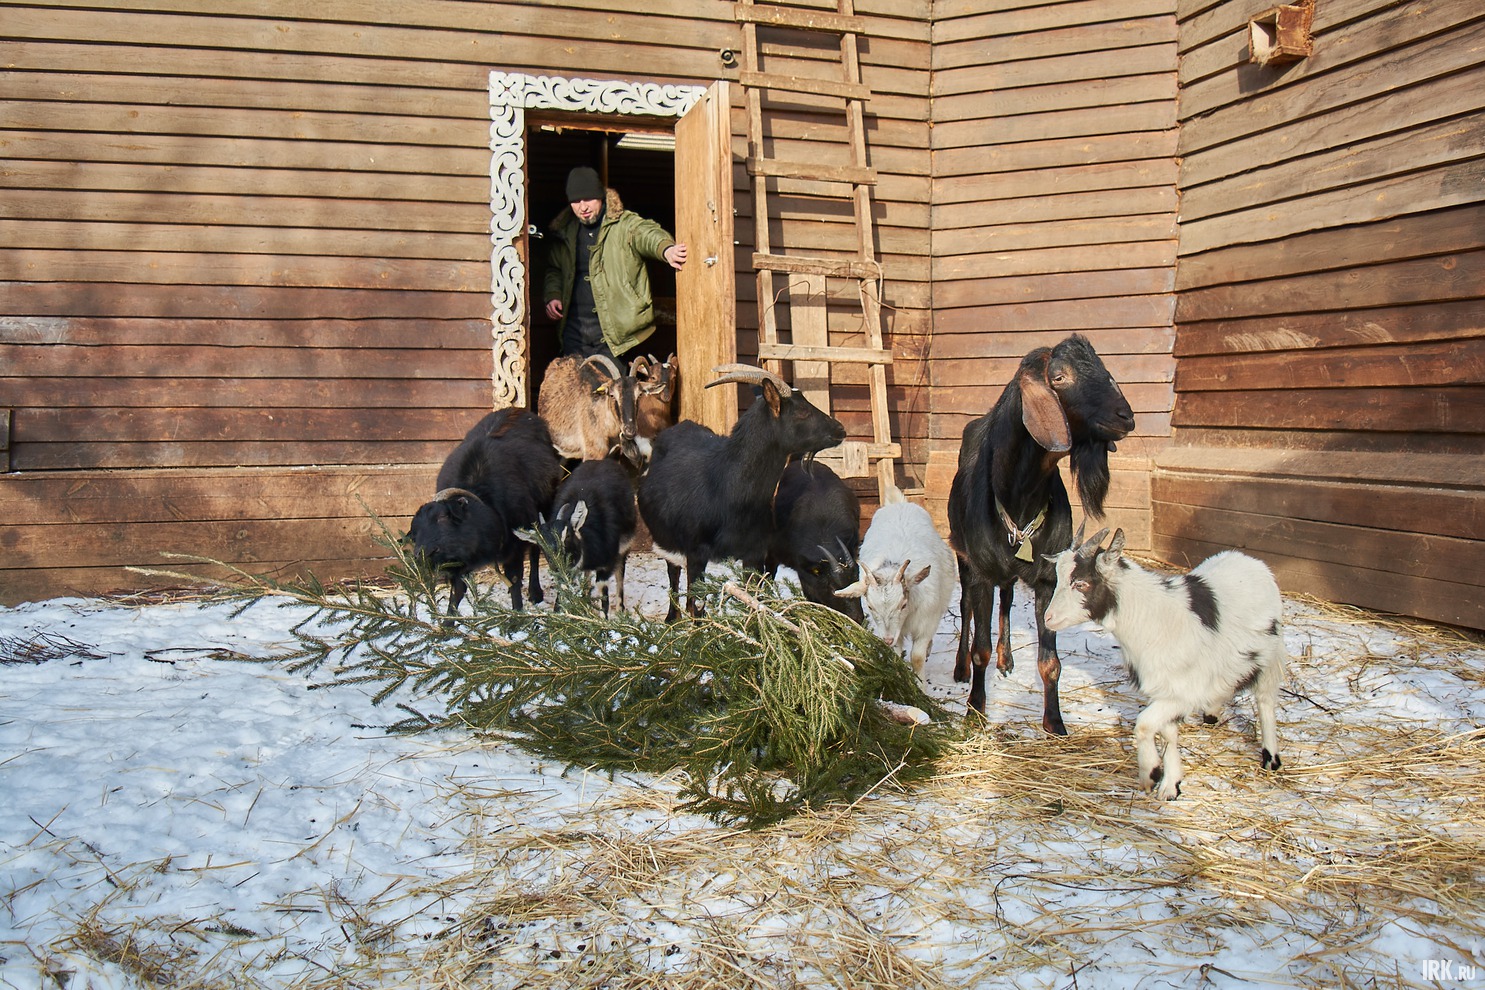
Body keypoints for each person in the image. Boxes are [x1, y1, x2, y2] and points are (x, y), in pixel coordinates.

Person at [543, 166, 688, 361]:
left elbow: (646, 234)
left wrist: (666, 249)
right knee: (575, 388)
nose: (583, 207)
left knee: (614, 389)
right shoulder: (563, 232)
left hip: (614, 334)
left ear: (601, 197)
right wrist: (553, 294)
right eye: (576, 201)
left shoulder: (624, 224)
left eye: (589, 199)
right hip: (574, 332)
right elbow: (555, 269)